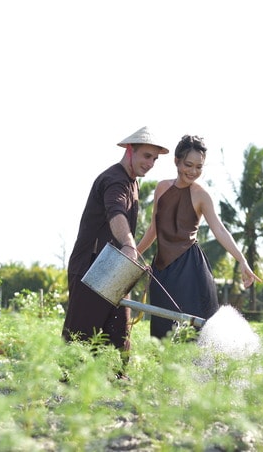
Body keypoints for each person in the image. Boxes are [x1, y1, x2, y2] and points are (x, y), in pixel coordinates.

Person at [62, 126, 170, 365]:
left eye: (155, 158)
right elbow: (116, 212)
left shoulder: (133, 182)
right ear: (130, 150)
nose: (151, 163)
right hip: (90, 267)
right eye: (146, 156)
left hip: (114, 267)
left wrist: (132, 255)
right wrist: (130, 245)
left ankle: (117, 382)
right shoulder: (115, 180)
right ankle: (65, 387)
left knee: (119, 332)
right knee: (80, 335)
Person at [136, 134, 262, 339]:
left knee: (193, 334)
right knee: (162, 333)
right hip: (161, 272)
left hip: (190, 271)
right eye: (188, 164)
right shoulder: (161, 188)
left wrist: (242, 260)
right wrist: (132, 255)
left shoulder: (201, 194)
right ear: (176, 161)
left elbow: (220, 230)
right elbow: (153, 229)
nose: (193, 171)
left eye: (199, 167)